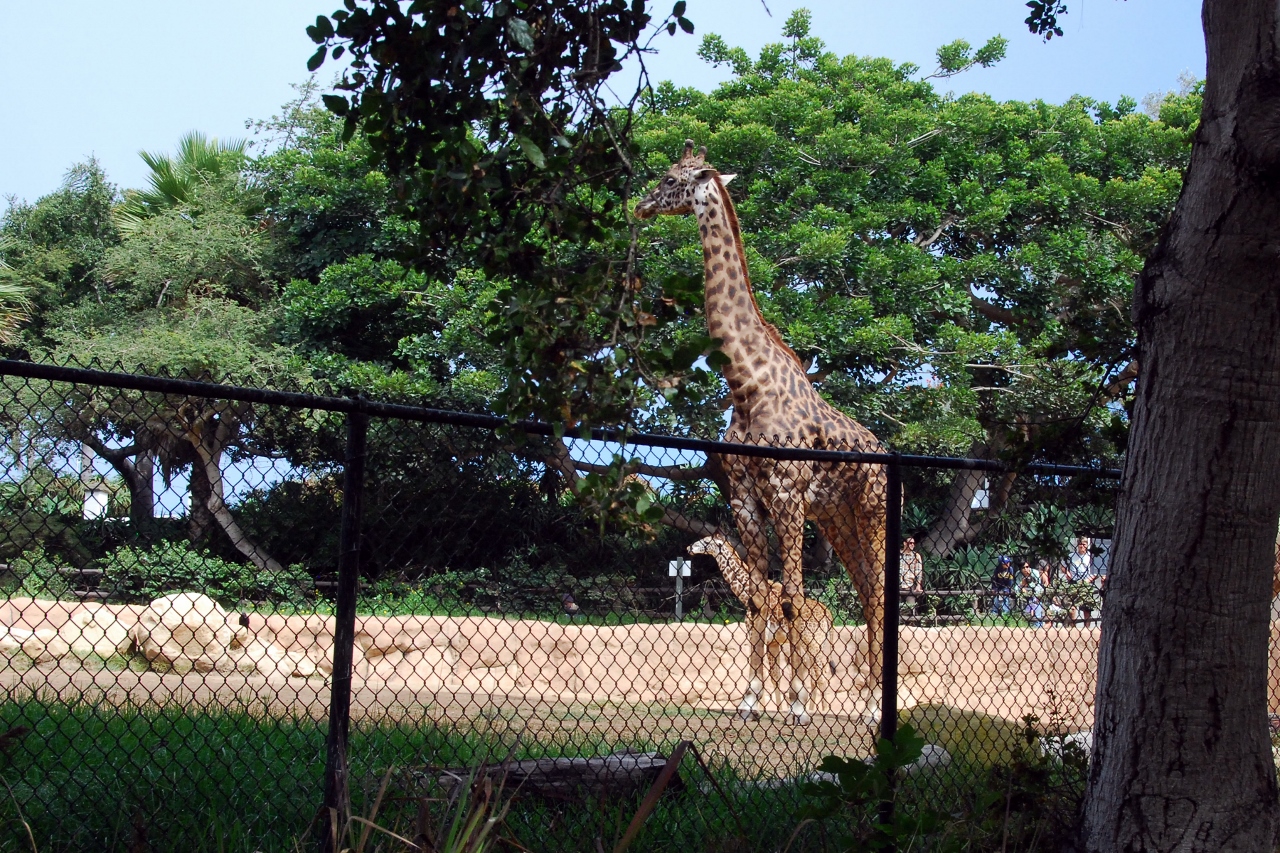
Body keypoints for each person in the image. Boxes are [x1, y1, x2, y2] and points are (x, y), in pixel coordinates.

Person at [900, 536, 924, 615]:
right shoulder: (898, 555)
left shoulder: (916, 556)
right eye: (910, 543)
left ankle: (911, 625)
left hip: (909, 585)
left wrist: (918, 585)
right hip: (897, 585)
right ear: (904, 543)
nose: (912, 545)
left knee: (910, 607)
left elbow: (918, 571)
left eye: (913, 543)